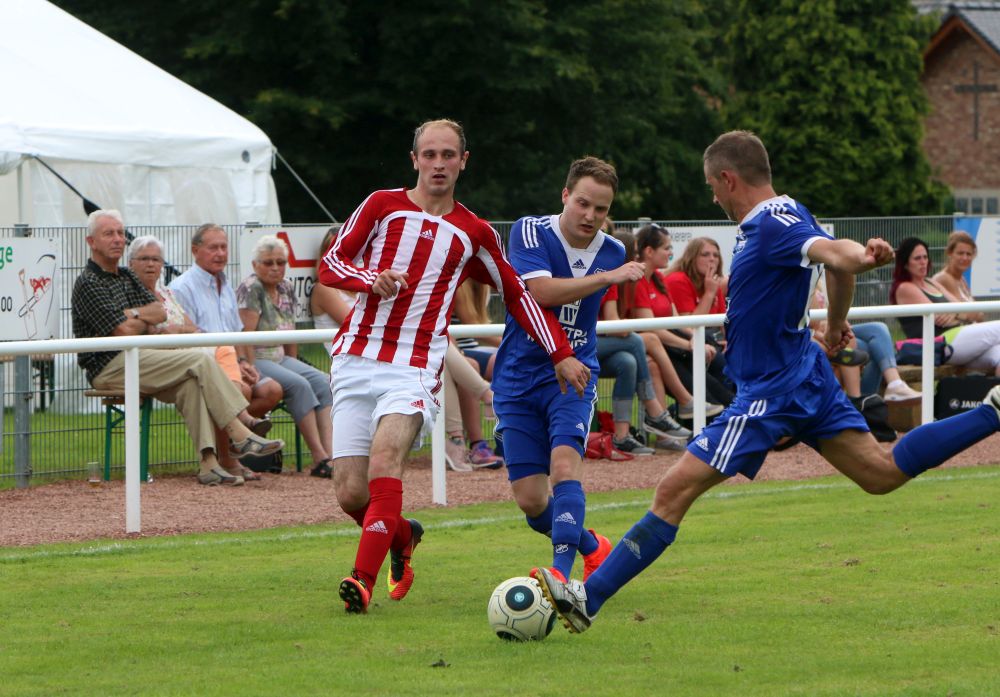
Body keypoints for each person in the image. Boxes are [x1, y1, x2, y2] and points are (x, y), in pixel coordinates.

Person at [534, 130, 1000, 634]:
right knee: (881, 474)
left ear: (728, 179)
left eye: (713, 187)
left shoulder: (773, 222)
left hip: (772, 391)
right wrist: (836, 322)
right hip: (805, 373)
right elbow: (832, 263)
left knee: (672, 491)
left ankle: (588, 599)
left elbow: (839, 255)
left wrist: (863, 257)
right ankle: (992, 412)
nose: (714, 198)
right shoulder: (789, 212)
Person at [317, 118, 589, 614]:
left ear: (463, 161)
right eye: (429, 154)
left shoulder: (474, 231)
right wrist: (369, 278)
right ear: (414, 160)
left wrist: (560, 352)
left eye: (448, 155)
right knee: (351, 493)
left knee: (385, 462)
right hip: (356, 357)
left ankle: (361, 581)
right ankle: (403, 536)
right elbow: (330, 264)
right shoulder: (381, 205)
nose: (438, 164)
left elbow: (518, 294)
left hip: (414, 365)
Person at [492, 156, 652, 585]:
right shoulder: (530, 230)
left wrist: (610, 273)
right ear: (565, 195)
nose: (590, 215)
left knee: (565, 468)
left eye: (601, 209)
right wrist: (608, 278)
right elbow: (540, 292)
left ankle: (560, 577)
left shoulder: (613, 250)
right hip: (518, 375)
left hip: (574, 374)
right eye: (583, 203)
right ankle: (593, 546)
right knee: (531, 501)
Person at [72, 210, 284, 487]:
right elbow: (123, 332)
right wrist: (141, 319)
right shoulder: (88, 282)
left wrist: (132, 315)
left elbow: (160, 312)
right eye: (109, 233)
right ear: (91, 241)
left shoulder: (126, 276)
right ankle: (241, 431)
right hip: (109, 367)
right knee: (200, 359)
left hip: (143, 357)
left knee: (192, 384)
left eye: (121, 233)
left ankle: (209, 465)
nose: (117, 239)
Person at [127, 235, 273, 482]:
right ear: (131, 263)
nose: (151, 264)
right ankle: (242, 426)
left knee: (224, 360)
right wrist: (173, 331)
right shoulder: (136, 291)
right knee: (218, 364)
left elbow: (191, 327)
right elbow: (152, 332)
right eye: (144, 259)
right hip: (164, 358)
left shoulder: (165, 292)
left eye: (156, 259)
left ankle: (212, 464)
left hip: (193, 354)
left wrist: (243, 361)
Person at [236, 235, 335, 479]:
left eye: (280, 262)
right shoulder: (251, 288)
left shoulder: (287, 287)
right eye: (268, 263)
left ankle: (333, 456)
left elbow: (290, 331)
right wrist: (250, 367)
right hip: (257, 357)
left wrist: (295, 362)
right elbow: (244, 335)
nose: (275, 268)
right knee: (299, 384)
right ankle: (319, 457)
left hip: (279, 357)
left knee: (323, 382)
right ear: (255, 265)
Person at [169, 224, 284, 419]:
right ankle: (237, 435)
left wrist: (243, 362)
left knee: (272, 390)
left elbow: (236, 333)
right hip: (204, 365)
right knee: (242, 391)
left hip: (232, 362)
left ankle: (232, 433)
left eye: (224, 247)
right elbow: (188, 341)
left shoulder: (226, 285)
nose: (221, 253)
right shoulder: (182, 288)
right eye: (213, 248)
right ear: (195, 251)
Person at [630, 224, 735, 408]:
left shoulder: (658, 278)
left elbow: (679, 320)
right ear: (649, 251)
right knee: (708, 362)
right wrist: (693, 342)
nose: (712, 259)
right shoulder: (675, 280)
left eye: (716, 255)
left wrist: (702, 340)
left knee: (725, 362)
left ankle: (729, 406)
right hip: (663, 343)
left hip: (684, 339)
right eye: (705, 254)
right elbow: (655, 327)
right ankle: (719, 408)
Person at [890, 237, 1000, 375]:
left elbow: (966, 310)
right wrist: (957, 313)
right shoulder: (905, 287)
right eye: (917, 258)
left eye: (925, 257)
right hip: (939, 344)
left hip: (959, 340)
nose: (923, 262)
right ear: (905, 263)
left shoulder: (931, 282)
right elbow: (939, 318)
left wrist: (954, 313)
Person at [310, 226, 356, 356]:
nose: (338, 256)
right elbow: (356, 323)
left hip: (362, 352)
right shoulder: (323, 288)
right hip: (346, 357)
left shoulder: (354, 285)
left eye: (344, 250)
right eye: (333, 251)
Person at [932, 231, 985, 324]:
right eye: (960, 253)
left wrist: (977, 313)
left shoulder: (961, 279)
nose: (965, 258)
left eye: (968, 254)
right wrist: (977, 313)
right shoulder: (944, 278)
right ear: (950, 253)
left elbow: (980, 316)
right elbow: (966, 313)